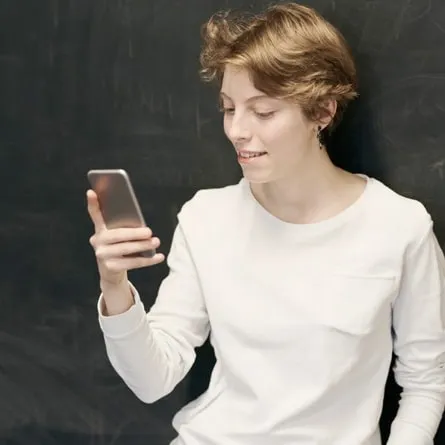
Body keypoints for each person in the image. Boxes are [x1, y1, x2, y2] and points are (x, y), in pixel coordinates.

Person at [86, 3, 445, 445]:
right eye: (228, 108)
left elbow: (428, 380)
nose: (237, 129)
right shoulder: (206, 218)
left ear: (322, 112)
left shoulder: (398, 226)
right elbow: (153, 379)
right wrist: (115, 286)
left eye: (263, 111)